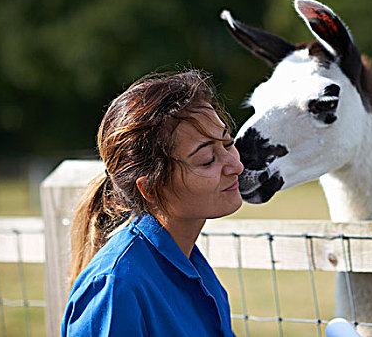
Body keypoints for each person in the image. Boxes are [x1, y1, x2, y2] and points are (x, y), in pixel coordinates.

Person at [61, 70, 243, 336]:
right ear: (150, 188)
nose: (235, 166)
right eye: (207, 159)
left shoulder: (191, 265)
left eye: (228, 143)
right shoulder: (116, 287)